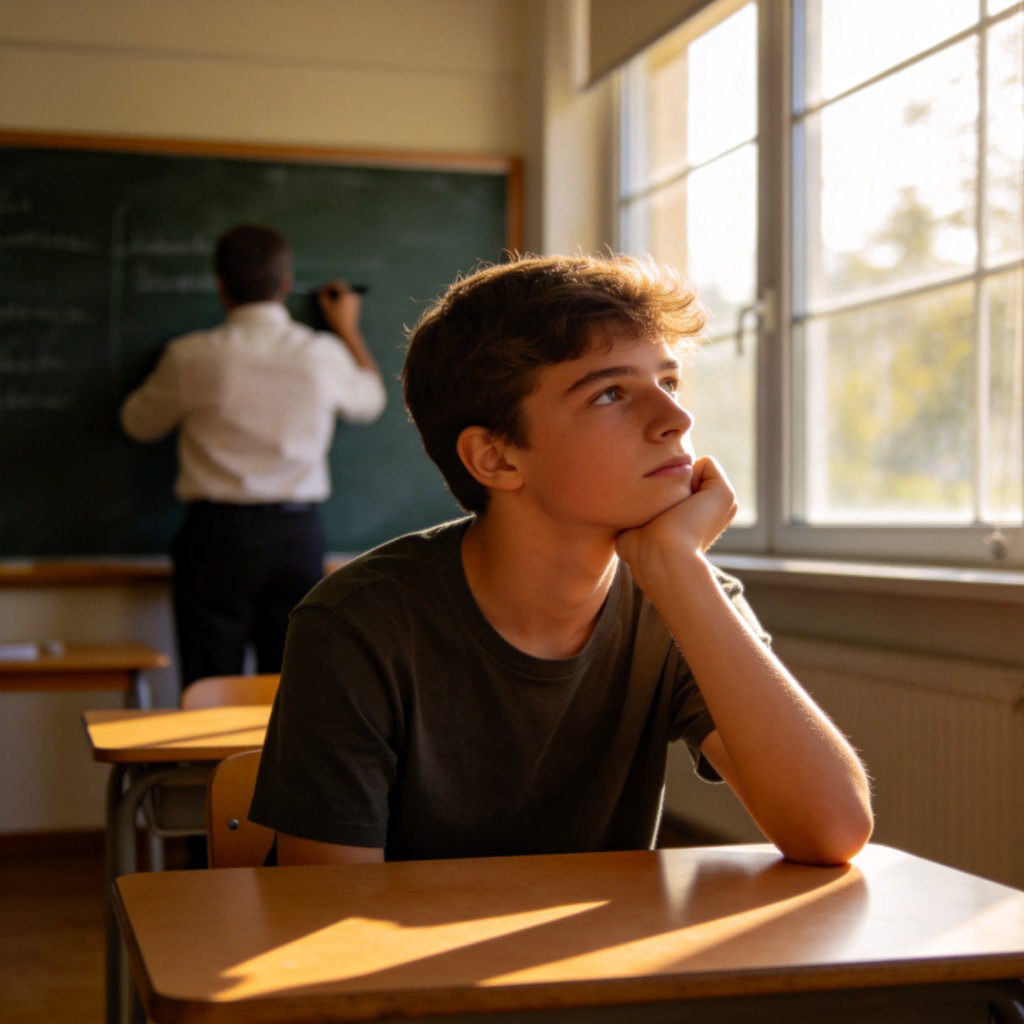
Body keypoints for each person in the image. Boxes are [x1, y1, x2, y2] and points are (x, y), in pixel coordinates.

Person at [249, 253, 873, 867]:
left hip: (594, 965)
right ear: (495, 458)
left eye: (669, 382)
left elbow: (832, 830)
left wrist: (680, 567)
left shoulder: (680, 591)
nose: (677, 418)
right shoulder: (356, 623)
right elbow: (326, 919)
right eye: (609, 395)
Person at [120, 223, 387, 690]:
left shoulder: (190, 356)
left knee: (208, 685)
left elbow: (136, 423)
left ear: (221, 284)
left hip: (216, 537)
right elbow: (371, 400)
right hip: (295, 534)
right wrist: (347, 329)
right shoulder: (321, 353)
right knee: (291, 690)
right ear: (285, 284)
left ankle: (214, 767)